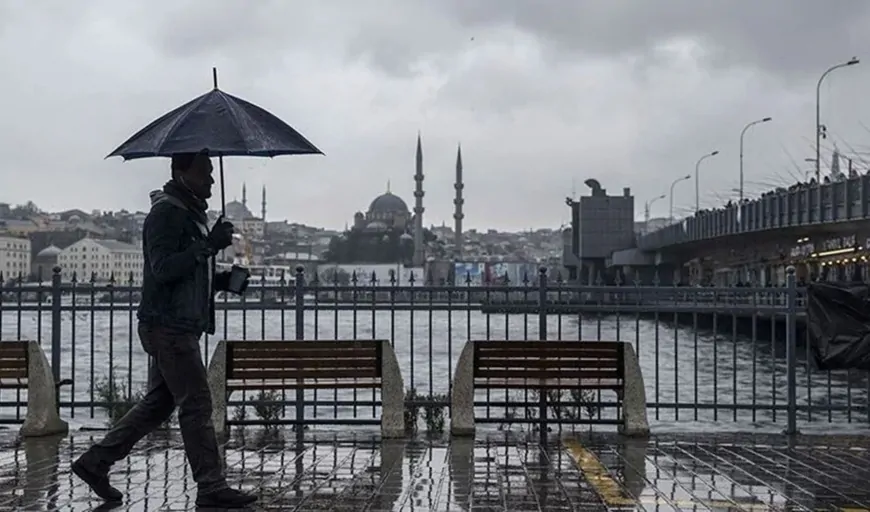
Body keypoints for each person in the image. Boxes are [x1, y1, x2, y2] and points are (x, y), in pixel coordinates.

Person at [72, 151, 257, 508]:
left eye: (212, 173)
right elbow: (163, 269)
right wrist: (209, 246)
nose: (212, 181)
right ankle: (211, 486)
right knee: (197, 403)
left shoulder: (189, 215)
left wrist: (223, 280)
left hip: (180, 325)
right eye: (205, 172)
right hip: (168, 326)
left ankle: (95, 463)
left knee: (159, 403)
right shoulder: (166, 213)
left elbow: (187, 274)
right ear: (182, 172)